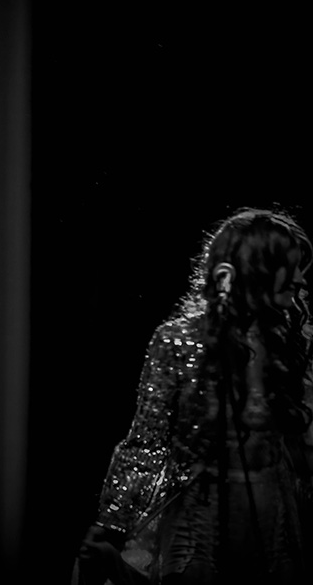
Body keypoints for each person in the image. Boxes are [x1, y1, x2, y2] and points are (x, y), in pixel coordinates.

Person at [75, 207, 313, 585]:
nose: (301, 280)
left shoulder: (292, 345)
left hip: (274, 512)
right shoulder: (177, 342)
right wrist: (111, 523)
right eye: (292, 266)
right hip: (199, 513)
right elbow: (146, 443)